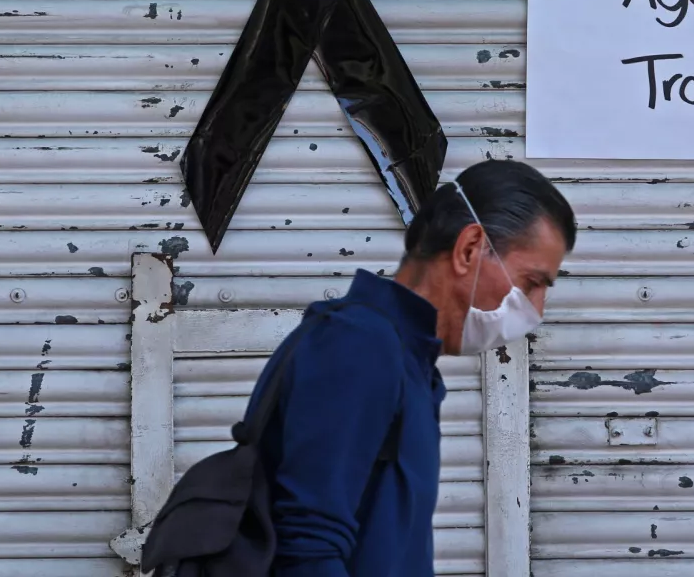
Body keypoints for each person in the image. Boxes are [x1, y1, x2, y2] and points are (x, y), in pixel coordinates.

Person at [246, 159, 576, 576]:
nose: (536, 310)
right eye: (531, 283)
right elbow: (307, 549)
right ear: (470, 248)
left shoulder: (406, 358)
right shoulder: (358, 345)